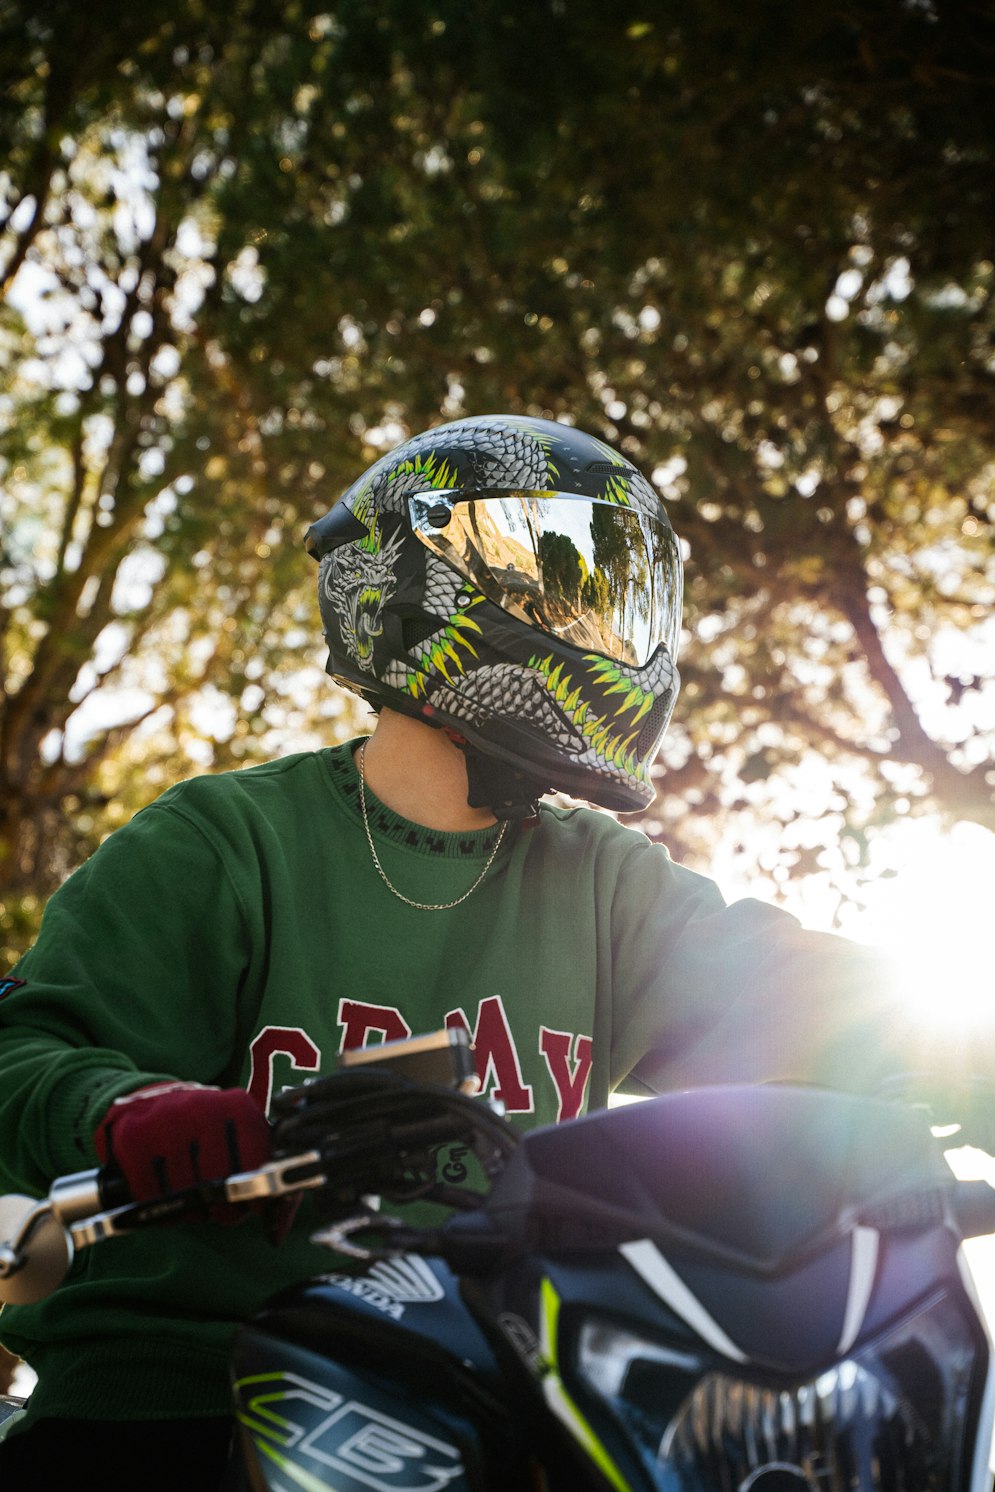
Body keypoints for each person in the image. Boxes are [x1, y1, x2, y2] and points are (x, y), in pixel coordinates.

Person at [0, 415, 910, 1488]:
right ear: (408, 580)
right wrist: (129, 1111)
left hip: (498, 1396)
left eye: (617, 594)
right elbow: (26, 1052)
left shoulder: (603, 883)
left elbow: (817, 1000)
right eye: (553, 580)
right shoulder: (223, 843)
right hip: (179, 1395)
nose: (595, 623)